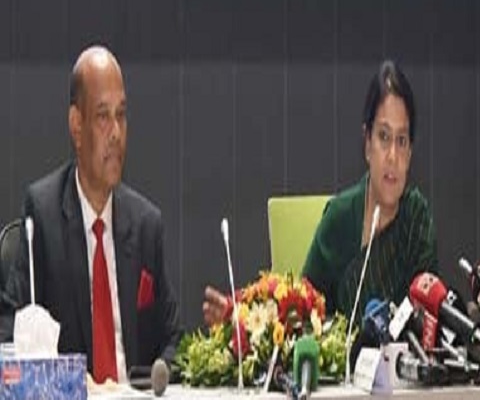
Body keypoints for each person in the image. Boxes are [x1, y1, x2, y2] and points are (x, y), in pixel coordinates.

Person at [203, 60, 438, 324]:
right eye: (383, 137)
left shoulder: (417, 220)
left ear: (410, 152)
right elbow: (300, 308)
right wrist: (239, 315)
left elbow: (429, 320)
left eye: (401, 140)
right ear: (367, 143)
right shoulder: (340, 218)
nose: (393, 156)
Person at [1, 46, 182, 384]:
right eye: (102, 116)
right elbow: (9, 328)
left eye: (121, 115)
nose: (116, 133)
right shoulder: (43, 215)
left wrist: (162, 372)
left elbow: (173, 339)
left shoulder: (147, 225)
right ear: (76, 125)